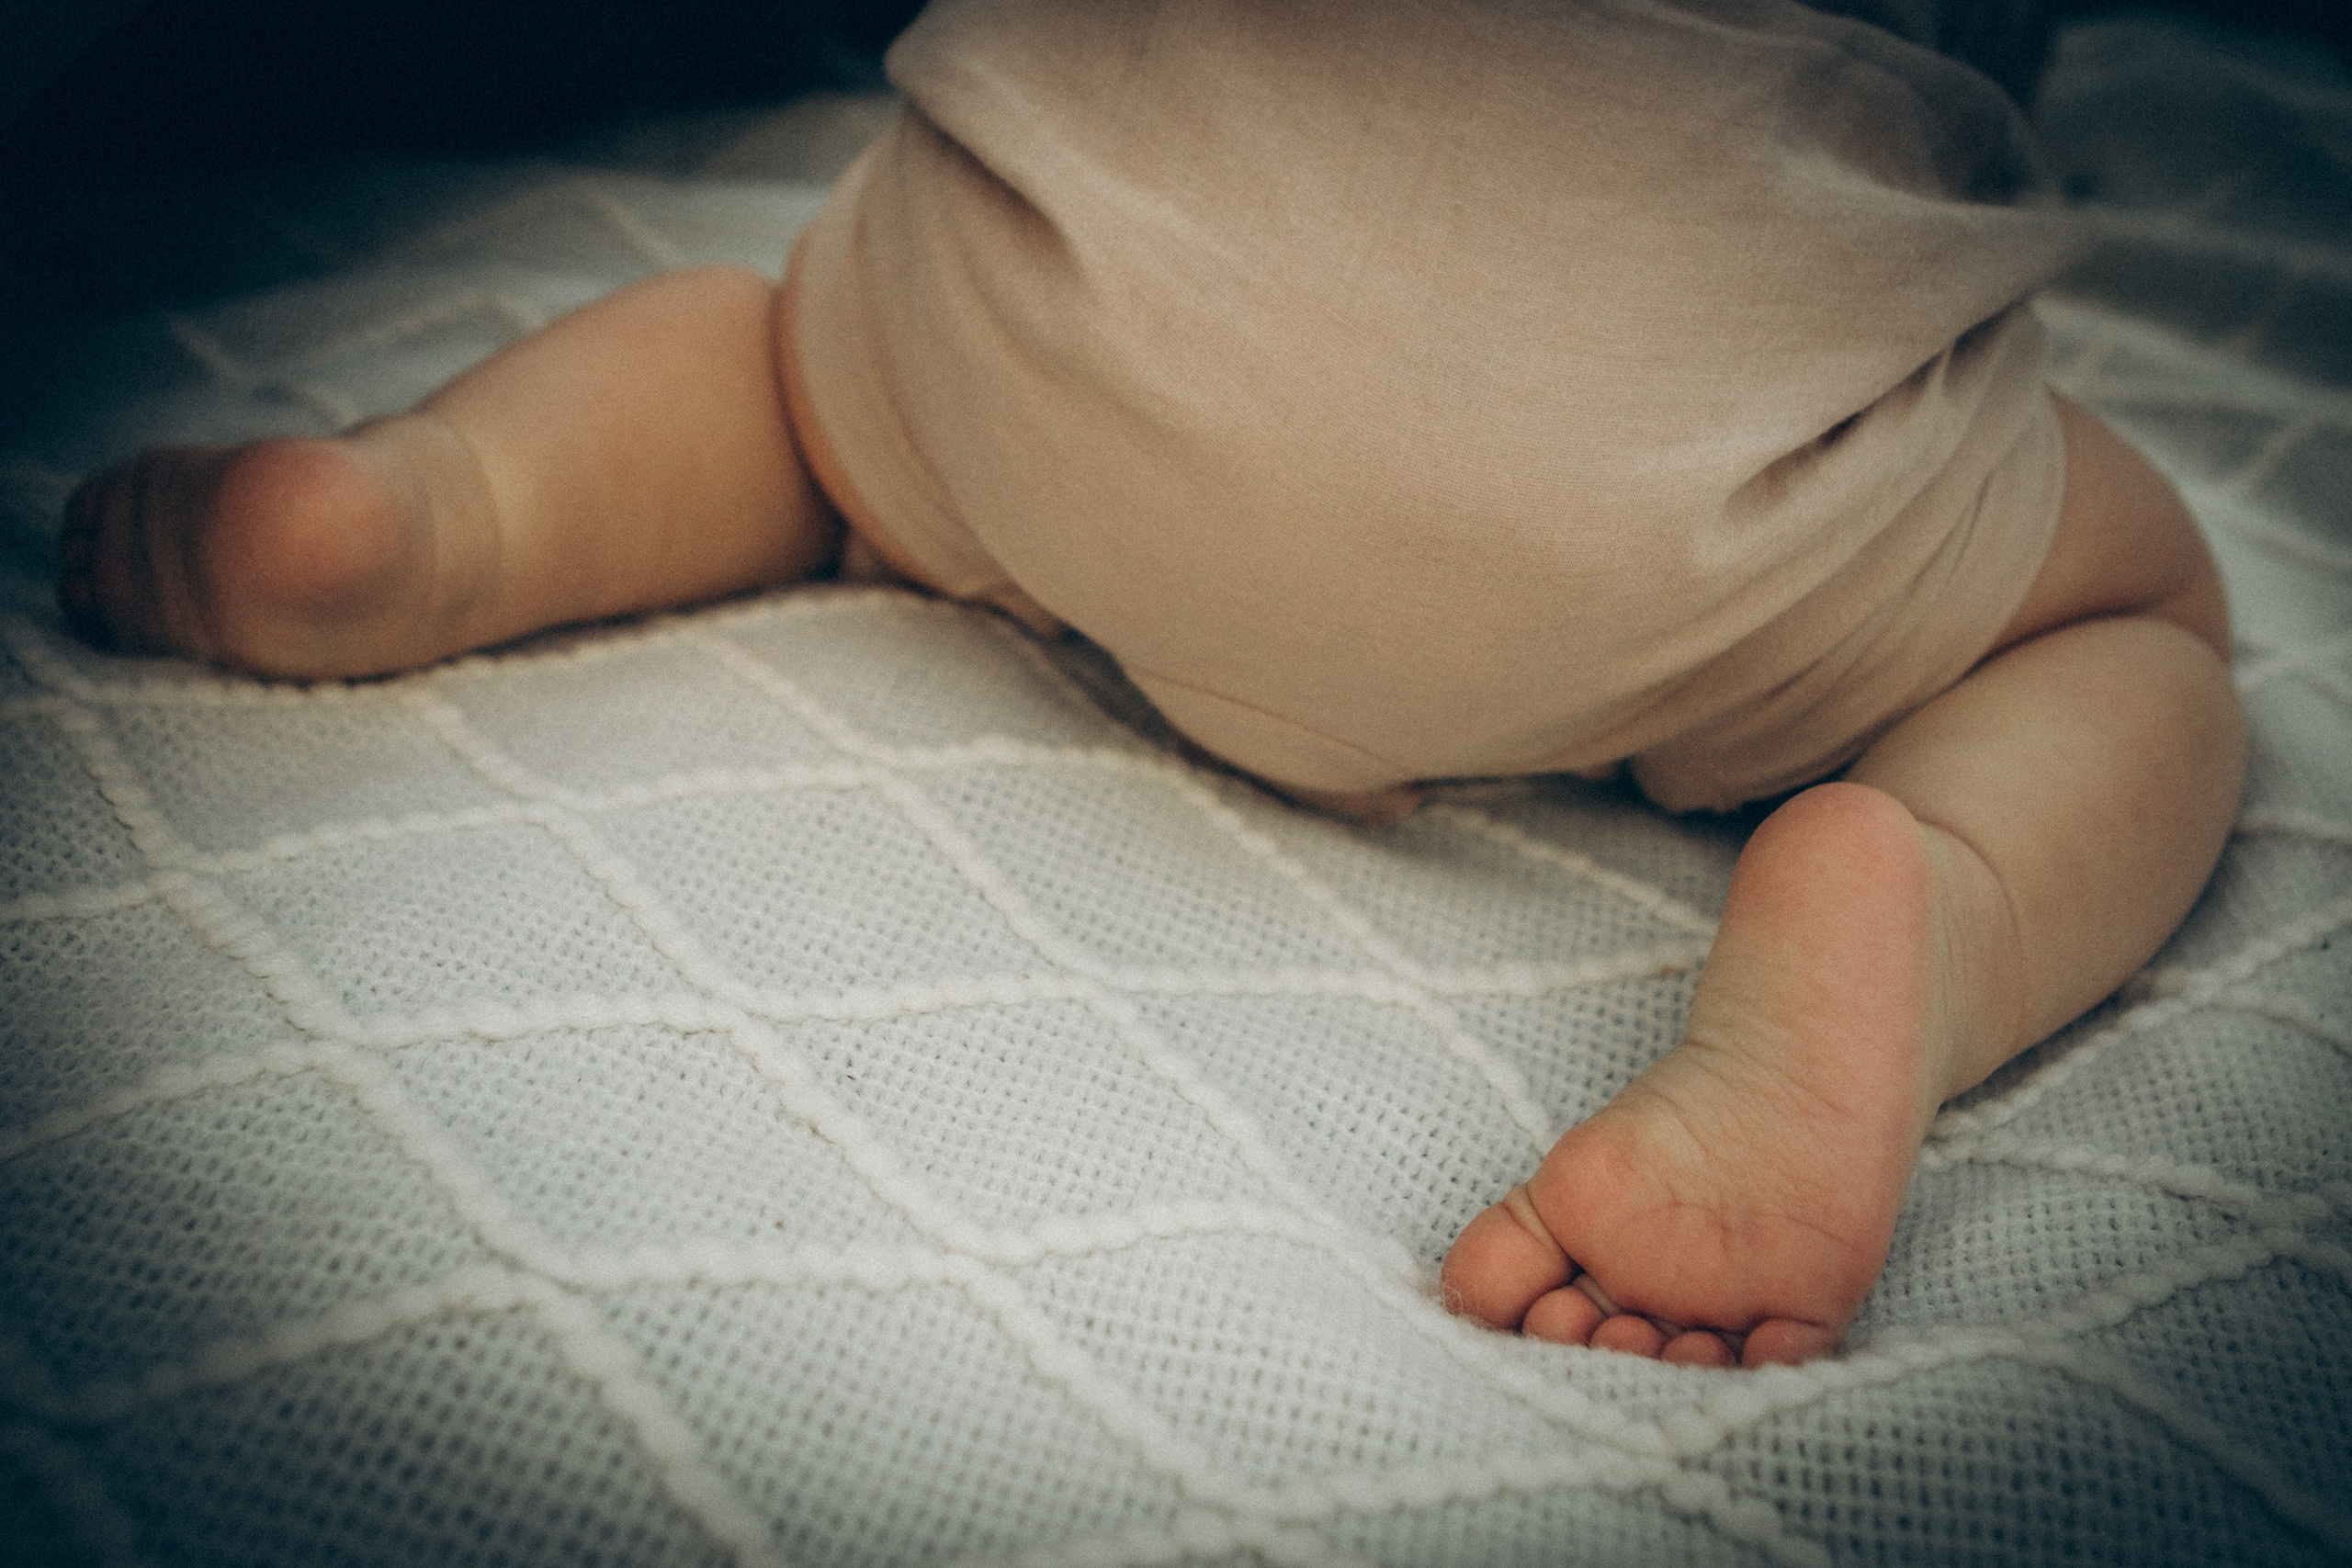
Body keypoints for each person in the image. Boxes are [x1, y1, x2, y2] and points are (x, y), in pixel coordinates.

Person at [55, 0, 2245, 1368]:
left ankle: (439, 507)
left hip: (1066, 318)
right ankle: (1922, 883)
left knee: (796, 371)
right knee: (2127, 617)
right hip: (1681, 474)